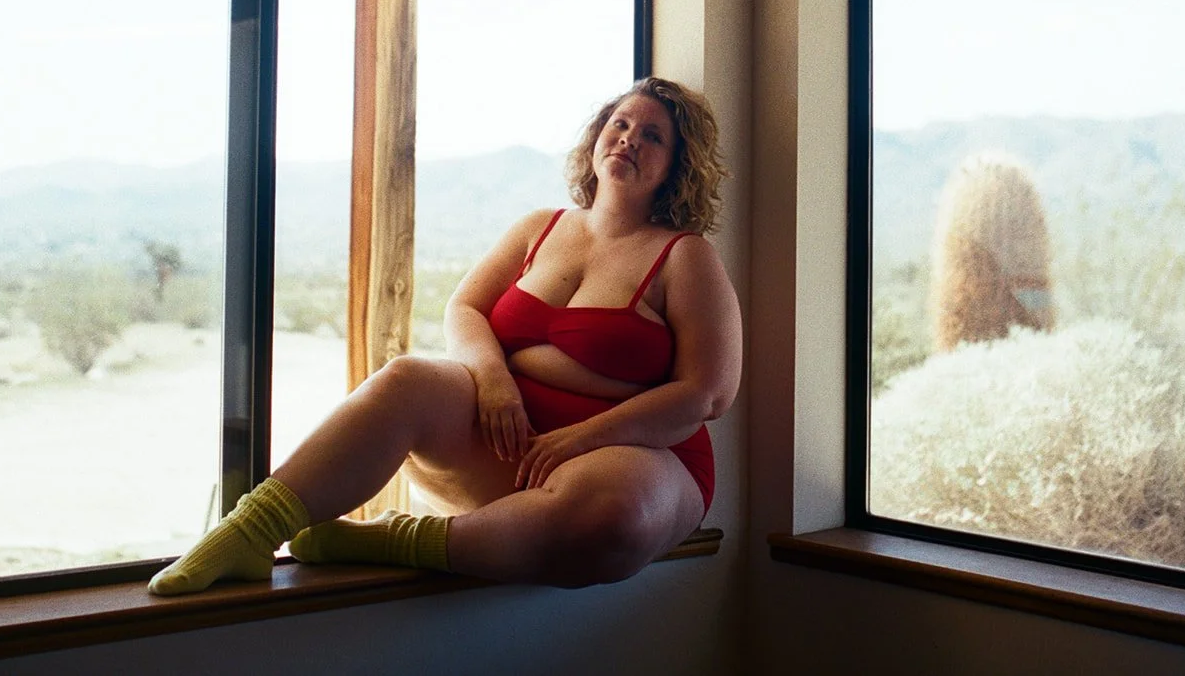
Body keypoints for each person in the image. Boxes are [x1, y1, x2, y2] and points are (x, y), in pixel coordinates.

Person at [149, 77, 742, 594]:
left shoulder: (684, 257)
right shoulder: (540, 228)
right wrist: (493, 383)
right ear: (596, 139)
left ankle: (397, 541)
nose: (628, 139)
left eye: (653, 136)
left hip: (636, 460)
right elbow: (465, 307)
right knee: (406, 380)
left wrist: (582, 438)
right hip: (514, 443)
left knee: (616, 517)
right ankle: (250, 533)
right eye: (620, 123)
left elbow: (707, 394)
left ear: (676, 166)